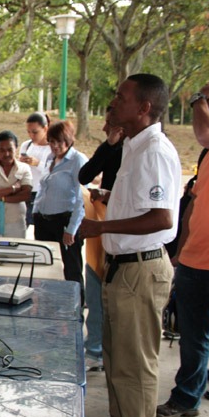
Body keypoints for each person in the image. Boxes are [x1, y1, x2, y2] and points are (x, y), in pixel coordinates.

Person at [79, 73, 181, 417]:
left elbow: (162, 218)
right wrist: (111, 201)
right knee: (117, 358)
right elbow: (141, 206)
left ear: (144, 108)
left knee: (136, 365)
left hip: (142, 268)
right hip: (124, 267)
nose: (114, 102)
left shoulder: (154, 151)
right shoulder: (134, 147)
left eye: (122, 97)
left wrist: (101, 227)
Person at [155, 81, 209, 417]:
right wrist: (180, 253)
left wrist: (199, 98)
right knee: (193, 339)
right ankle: (186, 398)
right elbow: (193, 207)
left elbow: (206, 133)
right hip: (195, 262)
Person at [79, 110, 124, 369]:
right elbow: (84, 175)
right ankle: (94, 349)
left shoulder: (142, 152)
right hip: (100, 228)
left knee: (117, 304)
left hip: (124, 236)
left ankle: (111, 353)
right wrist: (108, 145)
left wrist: (111, 195)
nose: (105, 127)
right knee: (95, 291)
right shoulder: (110, 148)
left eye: (111, 123)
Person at [33, 120, 87, 305]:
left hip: (64, 221)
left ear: (68, 140)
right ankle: (48, 305)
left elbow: (81, 198)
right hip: (43, 221)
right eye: (51, 141)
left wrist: (71, 229)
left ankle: (75, 308)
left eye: (59, 141)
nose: (55, 146)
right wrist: (36, 212)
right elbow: (43, 188)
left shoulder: (77, 160)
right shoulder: (50, 158)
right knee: (46, 268)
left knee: (71, 269)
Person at [0, 130, 33, 238]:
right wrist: (13, 189)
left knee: (15, 249)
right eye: (2, 150)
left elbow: (26, 194)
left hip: (16, 222)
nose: (6, 154)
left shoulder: (24, 168)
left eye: (10, 149)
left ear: (16, 148)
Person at [18, 112, 51, 227]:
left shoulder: (52, 148)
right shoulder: (26, 145)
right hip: (26, 191)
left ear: (45, 128)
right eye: (28, 132)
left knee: (41, 229)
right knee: (20, 227)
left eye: (35, 132)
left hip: (43, 194)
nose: (31, 135)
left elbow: (54, 172)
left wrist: (38, 164)